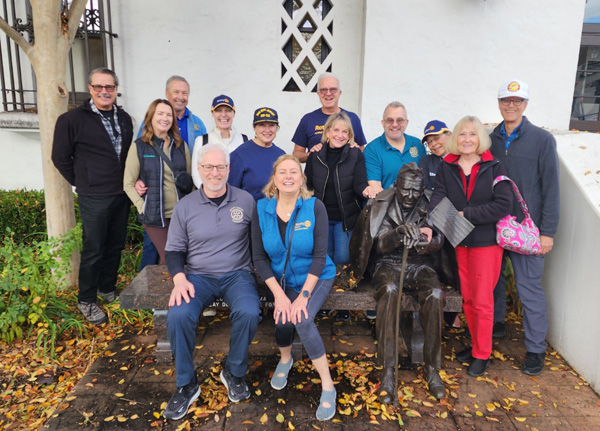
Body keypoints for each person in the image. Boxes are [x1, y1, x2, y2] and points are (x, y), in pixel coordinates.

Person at [163, 143, 260, 421]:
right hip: (197, 276)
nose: (215, 172)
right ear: (200, 170)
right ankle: (186, 383)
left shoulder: (245, 201)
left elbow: (259, 242)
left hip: (237, 274)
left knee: (250, 312)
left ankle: (233, 371)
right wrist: (179, 278)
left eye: (220, 166)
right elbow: (174, 250)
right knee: (179, 314)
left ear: (229, 169)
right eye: (208, 167)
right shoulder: (185, 205)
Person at [349, 163, 449, 402]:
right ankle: (388, 370)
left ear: (422, 188)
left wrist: (427, 241)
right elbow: (380, 245)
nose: (410, 196)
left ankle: (432, 368)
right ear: (397, 185)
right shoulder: (382, 203)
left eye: (416, 191)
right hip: (388, 263)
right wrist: (398, 233)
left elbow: (441, 241)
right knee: (390, 290)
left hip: (420, 263)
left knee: (435, 294)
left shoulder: (432, 202)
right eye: (406, 190)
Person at [251, 155, 337, 421]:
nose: (288, 176)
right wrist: (279, 296)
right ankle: (286, 359)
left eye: (294, 172)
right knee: (282, 318)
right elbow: (258, 259)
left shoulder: (315, 207)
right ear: (274, 180)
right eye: (282, 172)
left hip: (316, 277)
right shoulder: (261, 208)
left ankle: (327, 385)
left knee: (302, 317)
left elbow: (320, 257)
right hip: (282, 281)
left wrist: (303, 298)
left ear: (301, 179)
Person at [429, 116, 512, 377]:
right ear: (455, 138)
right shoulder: (447, 165)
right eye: (462, 134)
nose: (467, 139)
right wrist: (436, 219)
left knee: (483, 301)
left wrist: (467, 215)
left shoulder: (494, 166)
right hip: (459, 241)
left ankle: (482, 353)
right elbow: (437, 197)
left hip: (486, 243)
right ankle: (476, 346)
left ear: (480, 139)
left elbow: (503, 205)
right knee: (468, 299)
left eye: (472, 135)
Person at [52, 68, 133, 324]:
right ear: (90, 89)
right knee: (94, 248)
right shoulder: (72, 120)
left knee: (115, 245)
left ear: (116, 89)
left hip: (121, 194)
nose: (104, 92)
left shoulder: (124, 118)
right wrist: (82, 182)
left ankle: (106, 289)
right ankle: (86, 300)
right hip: (94, 196)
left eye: (109, 87)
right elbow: (60, 157)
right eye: (99, 87)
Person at [490, 79, 560, 376]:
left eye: (517, 101)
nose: (511, 105)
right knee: (493, 283)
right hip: (494, 225)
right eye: (506, 100)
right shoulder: (488, 138)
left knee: (529, 289)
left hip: (528, 231)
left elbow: (551, 188)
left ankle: (535, 350)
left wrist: (548, 232)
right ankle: (497, 325)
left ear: (526, 104)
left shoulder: (542, 140)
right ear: (499, 103)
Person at [304, 112, 377, 321]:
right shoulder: (315, 155)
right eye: (336, 130)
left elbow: (360, 183)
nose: (340, 134)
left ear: (350, 135)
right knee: (324, 261)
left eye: (345, 131)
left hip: (346, 218)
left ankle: (344, 305)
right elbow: (307, 187)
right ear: (327, 132)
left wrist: (367, 191)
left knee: (343, 260)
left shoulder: (356, 155)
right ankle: (326, 303)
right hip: (321, 218)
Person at [138, 75, 206, 271]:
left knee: (181, 246)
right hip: (155, 198)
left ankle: (175, 287)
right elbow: (139, 153)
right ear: (166, 94)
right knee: (153, 246)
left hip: (183, 196)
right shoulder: (149, 123)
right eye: (176, 92)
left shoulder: (196, 123)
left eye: (184, 93)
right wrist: (137, 180)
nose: (180, 97)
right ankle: (145, 292)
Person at [123, 99, 191, 264]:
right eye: (160, 114)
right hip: (154, 216)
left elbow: (190, 181)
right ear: (151, 117)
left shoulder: (181, 146)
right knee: (169, 257)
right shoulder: (140, 146)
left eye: (169, 115)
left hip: (180, 215)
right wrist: (142, 206)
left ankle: (169, 289)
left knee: (179, 258)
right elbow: (128, 183)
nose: (165, 118)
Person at [292, 72, 367, 163]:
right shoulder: (308, 119)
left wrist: (355, 149)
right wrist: (312, 154)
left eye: (333, 90)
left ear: (339, 93)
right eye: (323, 90)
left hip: (345, 176)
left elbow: (362, 151)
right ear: (318, 93)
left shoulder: (352, 118)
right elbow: (296, 155)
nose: (328, 93)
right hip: (316, 175)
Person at [364, 102, 426, 193]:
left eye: (400, 120)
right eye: (390, 120)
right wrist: (398, 205)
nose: (395, 124)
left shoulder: (418, 145)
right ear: (383, 123)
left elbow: (424, 179)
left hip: (415, 204)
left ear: (406, 122)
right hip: (385, 204)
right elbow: (375, 185)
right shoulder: (372, 149)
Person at [191, 95, 248, 188]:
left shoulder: (243, 139)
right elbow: (196, 174)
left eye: (228, 110)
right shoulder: (202, 141)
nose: (223, 115)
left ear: (234, 113)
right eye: (218, 111)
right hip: (210, 198)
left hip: (237, 198)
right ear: (212, 113)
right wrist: (209, 194)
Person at [229, 107, 286, 200]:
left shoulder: (281, 155)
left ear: (277, 128)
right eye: (262, 125)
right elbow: (230, 192)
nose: (267, 130)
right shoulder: (239, 155)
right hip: (249, 212)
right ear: (254, 127)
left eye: (271, 125)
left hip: (277, 211)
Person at [418, 120, 451, 194]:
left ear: (449, 134)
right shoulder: (425, 162)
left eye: (436, 138)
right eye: (429, 142)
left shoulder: (462, 157)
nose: (433, 144)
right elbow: (426, 191)